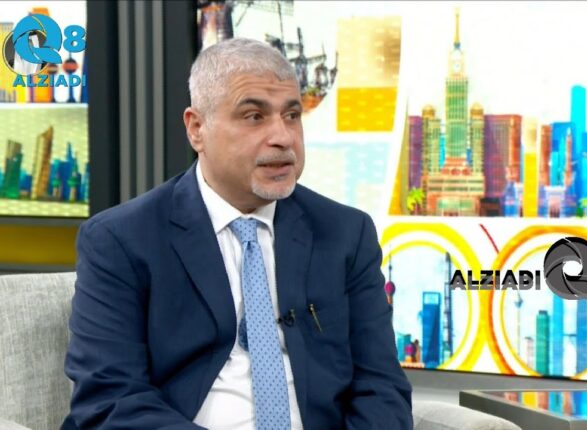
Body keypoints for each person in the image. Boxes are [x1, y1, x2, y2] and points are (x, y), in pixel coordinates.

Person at [63, 38, 412, 429]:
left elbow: (381, 388)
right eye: (254, 116)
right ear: (197, 129)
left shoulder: (346, 233)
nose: (283, 137)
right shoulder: (121, 240)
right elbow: (110, 401)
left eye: (292, 115)